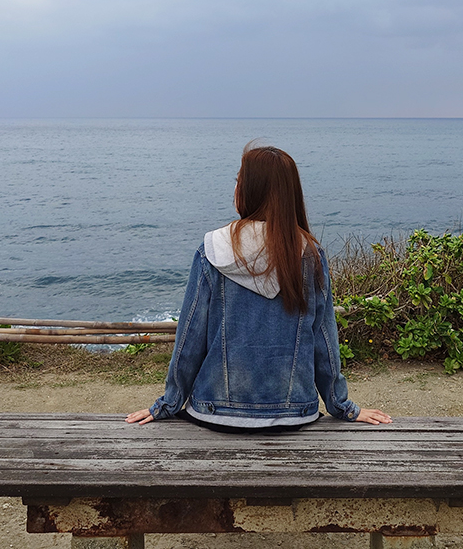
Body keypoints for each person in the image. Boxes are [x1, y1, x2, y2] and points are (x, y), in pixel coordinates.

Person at [126, 143, 391, 432]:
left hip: (215, 412)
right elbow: (324, 341)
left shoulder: (213, 249)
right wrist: (342, 406)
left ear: (249, 190)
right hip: (294, 414)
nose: (235, 187)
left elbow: (190, 337)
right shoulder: (309, 254)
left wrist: (168, 404)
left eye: (238, 180)